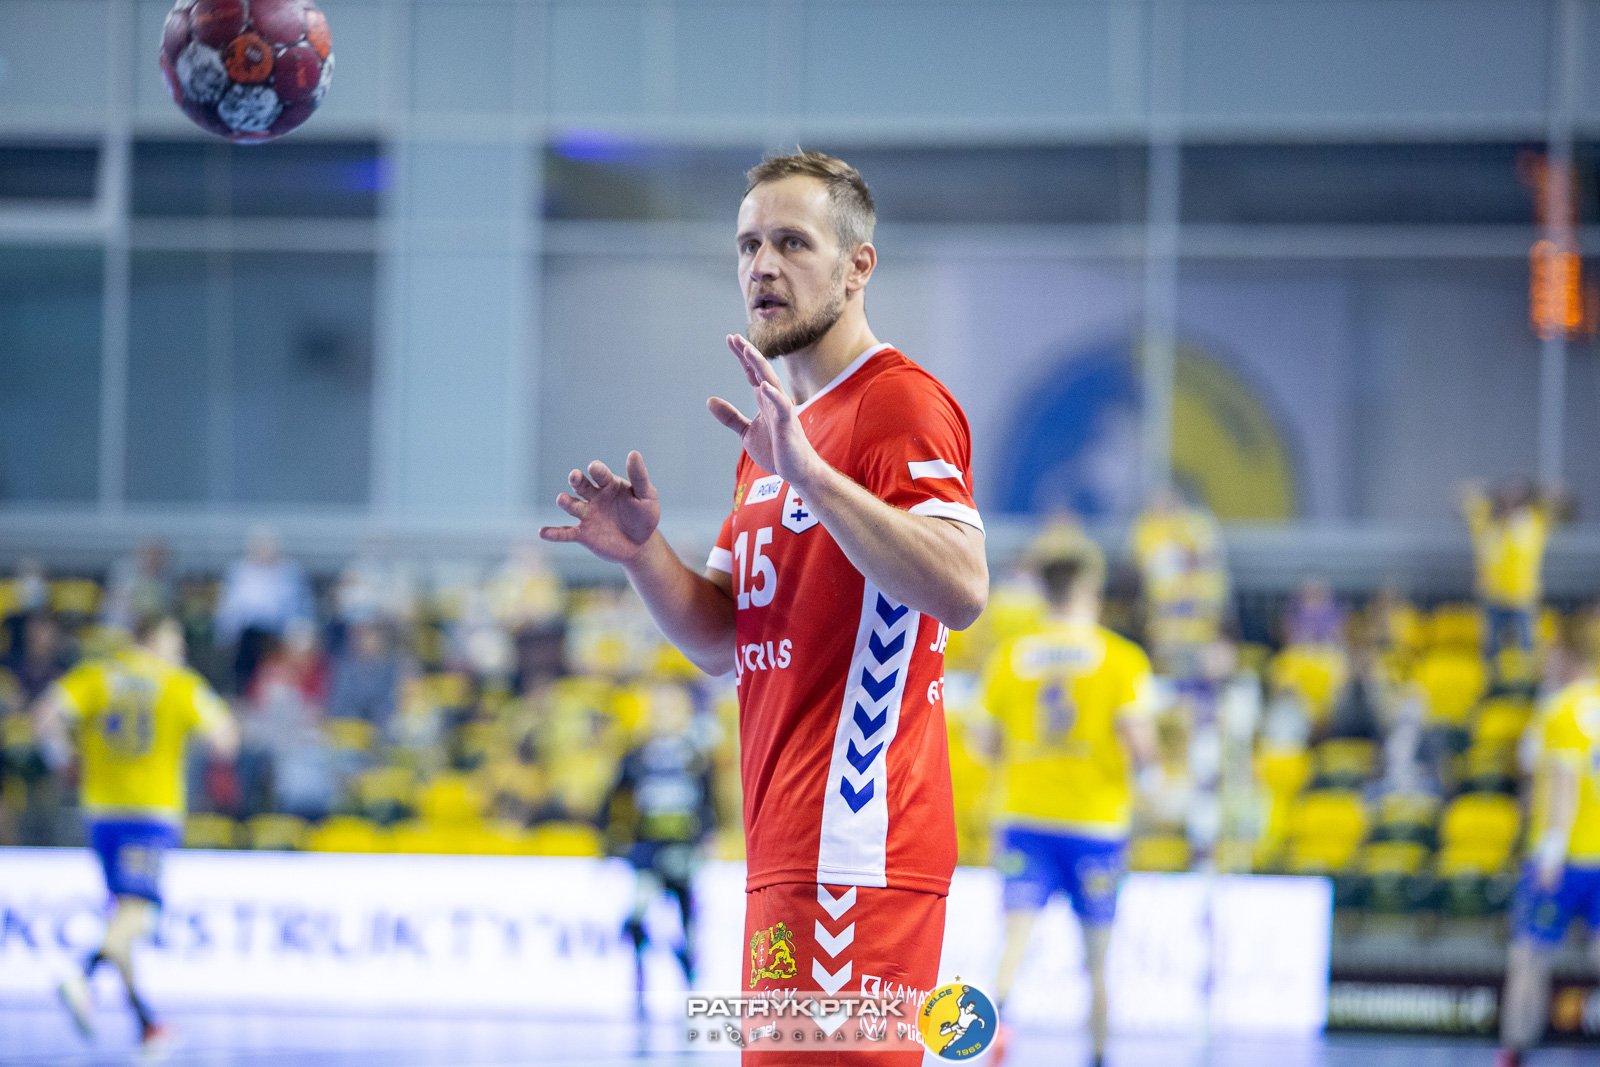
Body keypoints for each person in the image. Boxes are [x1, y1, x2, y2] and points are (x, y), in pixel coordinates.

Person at [541, 150, 987, 1062]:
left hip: (858, 849)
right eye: (748, 245)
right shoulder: (778, 434)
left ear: (858, 266)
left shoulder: (898, 403)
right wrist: (642, 554)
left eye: (792, 242)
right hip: (785, 846)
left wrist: (811, 475)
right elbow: (721, 640)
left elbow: (962, 586)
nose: (762, 266)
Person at [978, 537, 1161, 1067]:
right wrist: (1152, 785)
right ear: (1088, 592)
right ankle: (1099, 1056)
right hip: (1094, 824)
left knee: (1014, 944)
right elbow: (1139, 741)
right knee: (1097, 959)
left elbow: (986, 742)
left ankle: (986, 1044)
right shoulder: (1121, 658)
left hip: (1025, 816)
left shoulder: (1010, 657)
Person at [30, 613, 239, 1053]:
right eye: (175, 640)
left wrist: (66, 756)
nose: (180, 650)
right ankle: (82, 975)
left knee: (123, 915)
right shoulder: (179, 684)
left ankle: (146, 1023)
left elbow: (45, 717)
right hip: (151, 812)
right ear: (154, 639)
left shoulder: (96, 677)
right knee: (135, 914)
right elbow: (225, 740)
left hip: (101, 811)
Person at [1497, 624, 1600, 1067]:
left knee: (1529, 956)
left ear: (1569, 660)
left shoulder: (1560, 710)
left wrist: (1552, 850)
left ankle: (1514, 1051)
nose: (1546, 665)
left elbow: (1563, 782)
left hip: (1565, 858)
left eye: (1553, 657)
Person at [600, 680, 717, 1016]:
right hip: (648, 848)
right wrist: (612, 837)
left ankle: (689, 985)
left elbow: (707, 800)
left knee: (686, 920)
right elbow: (613, 796)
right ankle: (640, 983)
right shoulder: (638, 755)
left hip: (682, 848)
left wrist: (706, 837)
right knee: (637, 917)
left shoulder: (694, 756)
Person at [1459, 480, 1559, 665]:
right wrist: (1473, 493)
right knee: (1492, 647)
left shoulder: (1531, 523)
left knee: (1526, 644)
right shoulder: (1488, 526)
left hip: (1523, 595)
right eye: (1506, 498)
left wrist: (1547, 494)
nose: (1510, 504)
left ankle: (1528, 677)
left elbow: (1555, 508)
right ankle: (1493, 677)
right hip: (1493, 595)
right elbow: (1471, 505)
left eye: (1516, 499)